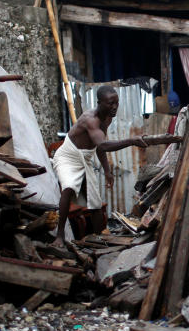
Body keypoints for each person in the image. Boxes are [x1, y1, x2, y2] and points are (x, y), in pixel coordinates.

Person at [50, 85, 149, 246]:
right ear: (99, 103)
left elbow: (99, 146)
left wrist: (107, 171)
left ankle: (99, 239)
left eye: (116, 103)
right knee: (68, 187)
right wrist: (132, 140)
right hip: (68, 157)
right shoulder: (91, 119)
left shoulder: (108, 118)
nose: (115, 107)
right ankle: (59, 236)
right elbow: (103, 145)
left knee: (95, 202)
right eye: (110, 103)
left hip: (85, 159)